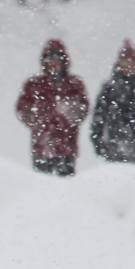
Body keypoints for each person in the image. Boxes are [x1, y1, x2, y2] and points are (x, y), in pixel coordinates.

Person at [16, 39, 90, 177]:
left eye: (56, 59)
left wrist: (68, 119)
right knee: (42, 185)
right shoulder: (34, 84)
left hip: (66, 146)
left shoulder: (74, 84)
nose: (53, 63)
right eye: (49, 60)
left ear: (64, 61)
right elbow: (22, 109)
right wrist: (37, 122)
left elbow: (83, 109)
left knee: (65, 186)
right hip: (41, 145)